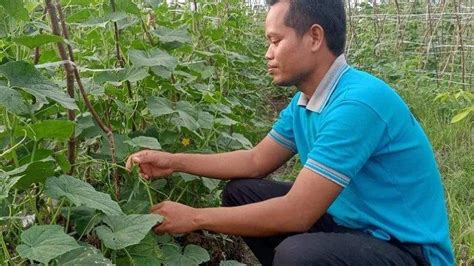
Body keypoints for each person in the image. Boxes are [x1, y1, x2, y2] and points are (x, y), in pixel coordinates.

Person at [126, 0, 454, 265]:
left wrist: (195, 217)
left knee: (297, 254)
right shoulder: (306, 100)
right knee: (241, 192)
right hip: (355, 224)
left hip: (406, 249)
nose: (268, 54)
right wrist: (172, 161)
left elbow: (298, 213)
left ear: (314, 37)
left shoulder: (357, 103)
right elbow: (255, 160)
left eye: (275, 41)